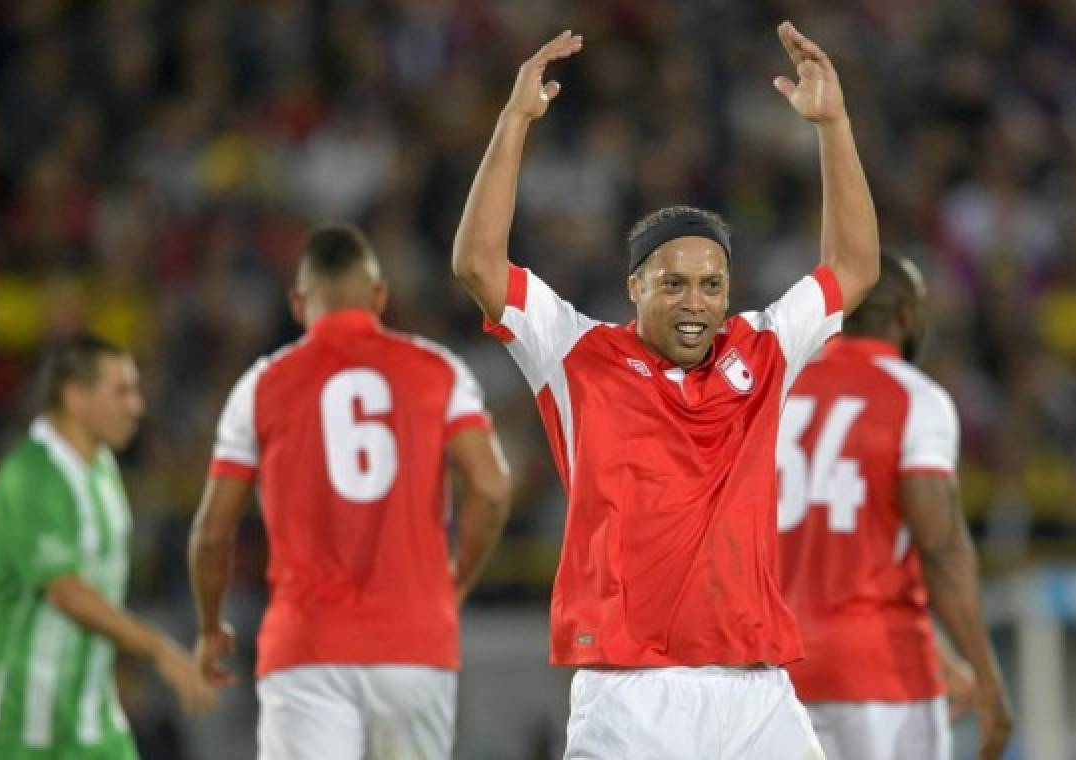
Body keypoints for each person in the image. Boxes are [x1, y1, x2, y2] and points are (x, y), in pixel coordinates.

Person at [452, 22, 879, 758]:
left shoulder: (765, 346)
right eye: (673, 283)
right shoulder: (578, 353)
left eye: (712, 285)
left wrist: (834, 126)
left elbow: (854, 267)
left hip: (757, 689)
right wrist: (513, 121)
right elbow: (477, 265)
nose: (696, 301)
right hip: (631, 693)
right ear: (634, 288)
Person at [188, 224, 511, 760]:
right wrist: (457, 580)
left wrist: (208, 626)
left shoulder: (261, 386)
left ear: (297, 302)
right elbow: (492, 489)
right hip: (414, 643)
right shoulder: (439, 371)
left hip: (307, 647)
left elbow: (211, 536)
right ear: (380, 295)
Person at [777, 254, 1014, 760]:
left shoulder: (777, 391)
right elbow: (942, 549)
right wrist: (988, 678)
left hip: (776, 674)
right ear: (908, 315)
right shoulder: (913, 398)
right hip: (882, 674)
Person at [0, 334, 213, 760]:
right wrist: (159, 650)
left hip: (92, 722)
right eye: (122, 391)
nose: (137, 406)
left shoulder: (103, 469)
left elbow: (101, 591)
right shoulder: (31, 476)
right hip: (20, 728)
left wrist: (120, 667)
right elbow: (67, 592)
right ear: (75, 398)